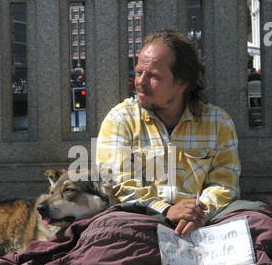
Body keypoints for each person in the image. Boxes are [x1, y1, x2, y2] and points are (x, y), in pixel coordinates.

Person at [96, 30, 271, 244]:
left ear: (181, 83)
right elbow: (116, 182)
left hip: (206, 222)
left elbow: (225, 183)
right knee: (105, 235)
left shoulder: (218, 122)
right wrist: (166, 210)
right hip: (142, 222)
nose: (140, 82)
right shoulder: (120, 120)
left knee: (261, 225)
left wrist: (198, 214)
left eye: (154, 76)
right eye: (139, 72)